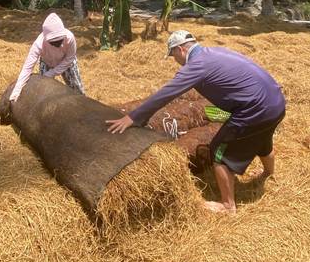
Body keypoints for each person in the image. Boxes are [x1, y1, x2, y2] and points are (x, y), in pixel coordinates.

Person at [106, 30, 285, 213]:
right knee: (262, 138)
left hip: (255, 110)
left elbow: (166, 93)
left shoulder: (197, 65)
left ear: (181, 50)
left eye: (173, 54)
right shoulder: (215, 52)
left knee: (218, 152)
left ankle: (227, 206)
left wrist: (133, 117)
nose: (175, 59)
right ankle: (268, 173)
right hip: (276, 102)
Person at [10, 13, 84, 102]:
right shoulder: (38, 44)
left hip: (67, 62)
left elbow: (70, 58)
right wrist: (17, 90)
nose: (58, 44)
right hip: (47, 61)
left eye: (60, 40)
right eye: (53, 42)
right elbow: (27, 68)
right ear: (46, 38)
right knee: (42, 90)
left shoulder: (70, 38)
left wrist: (52, 73)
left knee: (77, 89)